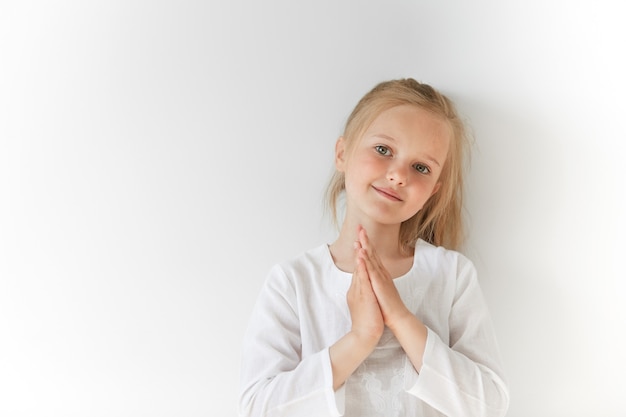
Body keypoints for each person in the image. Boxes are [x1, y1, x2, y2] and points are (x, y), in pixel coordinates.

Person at [238, 78, 510, 417]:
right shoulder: (293, 282)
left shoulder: (451, 276)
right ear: (342, 153)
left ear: (433, 191)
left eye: (420, 167)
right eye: (383, 150)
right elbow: (257, 408)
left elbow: (489, 405)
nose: (398, 175)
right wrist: (360, 338)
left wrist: (400, 317)